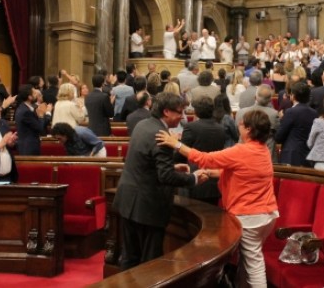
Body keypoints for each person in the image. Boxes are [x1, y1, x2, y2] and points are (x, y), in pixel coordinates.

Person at [156, 109, 279, 288]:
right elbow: (240, 172)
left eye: (242, 124)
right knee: (249, 260)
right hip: (267, 215)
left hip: (250, 216)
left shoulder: (241, 150)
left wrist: (176, 144)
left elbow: (204, 158)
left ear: (249, 130)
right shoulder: (263, 150)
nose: (239, 125)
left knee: (254, 265)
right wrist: (212, 173)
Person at [112, 92, 207, 270]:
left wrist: (172, 166)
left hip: (128, 201)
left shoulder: (143, 125)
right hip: (148, 207)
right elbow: (166, 177)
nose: (182, 116)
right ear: (166, 112)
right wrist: (193, 178)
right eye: (179, 112)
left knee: (129, 258)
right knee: (150, 263)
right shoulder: (161, 136)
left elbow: (146, 162)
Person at [175, 97, 226, 205]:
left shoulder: (191, 127)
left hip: (196, 177)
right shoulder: (221, 128)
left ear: (196, 111)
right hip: (214, 179)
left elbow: (182, 155)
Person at [275, 81, 317, 166]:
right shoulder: (314, 113)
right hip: (307, 154)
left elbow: (279, 136)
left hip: (291, 156)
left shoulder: (291, 112)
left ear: (292, 96)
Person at [15, 84, 51, 156]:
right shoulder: (26, 112)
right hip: (29, 147)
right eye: (34, 93)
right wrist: (41, 115)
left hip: (28, 145)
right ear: (29, 97)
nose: (36, 95)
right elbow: (39, 128)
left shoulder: (24, 108)